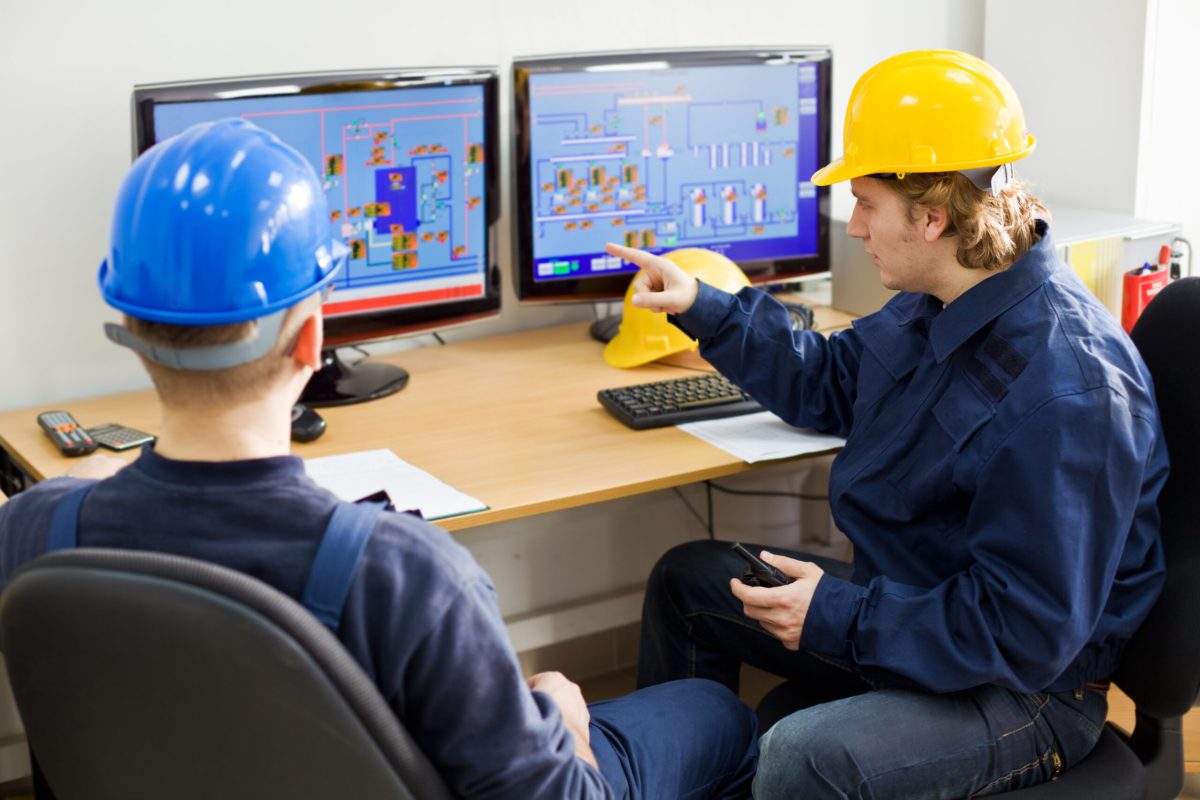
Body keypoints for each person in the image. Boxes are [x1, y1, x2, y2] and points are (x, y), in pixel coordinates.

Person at [0, 118, 758, 799]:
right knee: (715, 714)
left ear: (132, 331)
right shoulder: (406, 572)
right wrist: (565, 719)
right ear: (308, 340)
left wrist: (82, 485)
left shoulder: (35, 531)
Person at [608, 49, 1168, 798]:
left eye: (867, 201)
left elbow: (1025, 632)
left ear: (932, 214)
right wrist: (707, 308)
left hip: (1028, 690)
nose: (856, 224)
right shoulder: (942, 294)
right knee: (689, 582)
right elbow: (832, 382)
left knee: (803, 753)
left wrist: (837, 615)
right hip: (919, 606)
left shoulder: (1069, 391)